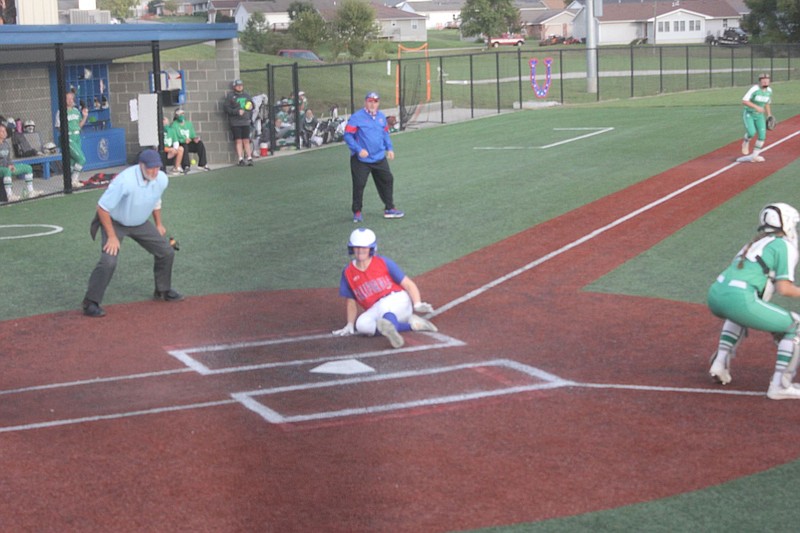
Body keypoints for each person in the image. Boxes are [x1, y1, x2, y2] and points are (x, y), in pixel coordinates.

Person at [708, 203, 800, 400]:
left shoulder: (754, 243)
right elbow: (784, 289)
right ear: (786, 224)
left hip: (716, 294)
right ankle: (780, 386)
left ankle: (720, 362)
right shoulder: (783, 245)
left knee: (738, 315)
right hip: (738, 298)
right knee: (796, 326)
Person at [81, 149, 183, 318]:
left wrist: (158, 224)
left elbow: (156, 199)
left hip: (140, 221)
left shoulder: (162, 179)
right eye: (151, 168)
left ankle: (162, 290)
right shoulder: (125, 181)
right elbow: (102, 208)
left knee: (166, 251)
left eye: (158, 167)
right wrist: (112, 236)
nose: (155, 172)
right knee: (109, 261)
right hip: (115, 222)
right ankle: (90, 302)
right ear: (141, 165)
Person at [332, 228, 437, 349]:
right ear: (352, 249)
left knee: (384, 308)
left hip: (398, 301)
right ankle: (412, 325)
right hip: (376, 307)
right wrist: (350, 324)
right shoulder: (348, 272)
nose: (360, 250)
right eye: (357, 247)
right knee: (362, 325)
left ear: (371, 248)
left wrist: (417, 303)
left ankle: (393, 331)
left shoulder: (383, 262)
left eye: (364, 247)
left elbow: (408, 284)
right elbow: (350, 301)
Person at [344, 91, 404, 223]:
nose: (372, 104)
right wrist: (358, 149)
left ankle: (389, 208)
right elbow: (347, 135)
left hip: (378, 157)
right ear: (366, 102)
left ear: (378, 103)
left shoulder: (382, 117)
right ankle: (357, 211)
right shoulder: (356, 117)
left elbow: (385, 134)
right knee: (359, 185)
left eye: (375, 102)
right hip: (361, 160)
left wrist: (390, 148)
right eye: (370, 101)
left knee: (388, 179)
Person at [0, 117, 40, 202]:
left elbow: (8, 158)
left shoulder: (6, 144)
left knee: (27, 168)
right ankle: (10, 195)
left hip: (7, 166)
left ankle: (31, 191)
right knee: (7, 171)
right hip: (2, 168)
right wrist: (8, 166)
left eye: (5, 131)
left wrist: (10, 164)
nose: (4, 133)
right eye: (2, 131)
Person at [55, 91, 88, 188]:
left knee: (73, 162)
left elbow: (79, 125)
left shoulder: (76, 111)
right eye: (67, 98)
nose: (70, 100)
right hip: (68, 138)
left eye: (71, 98)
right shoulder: (61, 111)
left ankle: (69, 181)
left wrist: (85, 116)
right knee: (81, 159)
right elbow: (58, 127)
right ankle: (74, 179)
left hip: (77, 137)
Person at [740, 72, 773, 163]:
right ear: (760, 82)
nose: (765, 82)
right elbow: (744, 101)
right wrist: (756, 107)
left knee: (762, 136)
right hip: (749, 113)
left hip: (760, 116)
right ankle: (746, 142)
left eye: (767, 80)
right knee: (751, 132)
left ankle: (754, 156)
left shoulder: (769, 91)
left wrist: (769, 115)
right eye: (763, 80)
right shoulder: (754, 89)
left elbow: (767, 103)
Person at [223, 79, 254, 166]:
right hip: (235, 122)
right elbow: (226, 108)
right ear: (234, 87)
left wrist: (251, 106)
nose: (240, 87)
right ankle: (240, 158)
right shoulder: (230, 96)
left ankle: (249, 157)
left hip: (245, 121)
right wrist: (236, 112)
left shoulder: (246, 95)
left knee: (246, 140)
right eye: (238, 85)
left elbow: (251, 104)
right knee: (238, 141)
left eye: (241, 85)